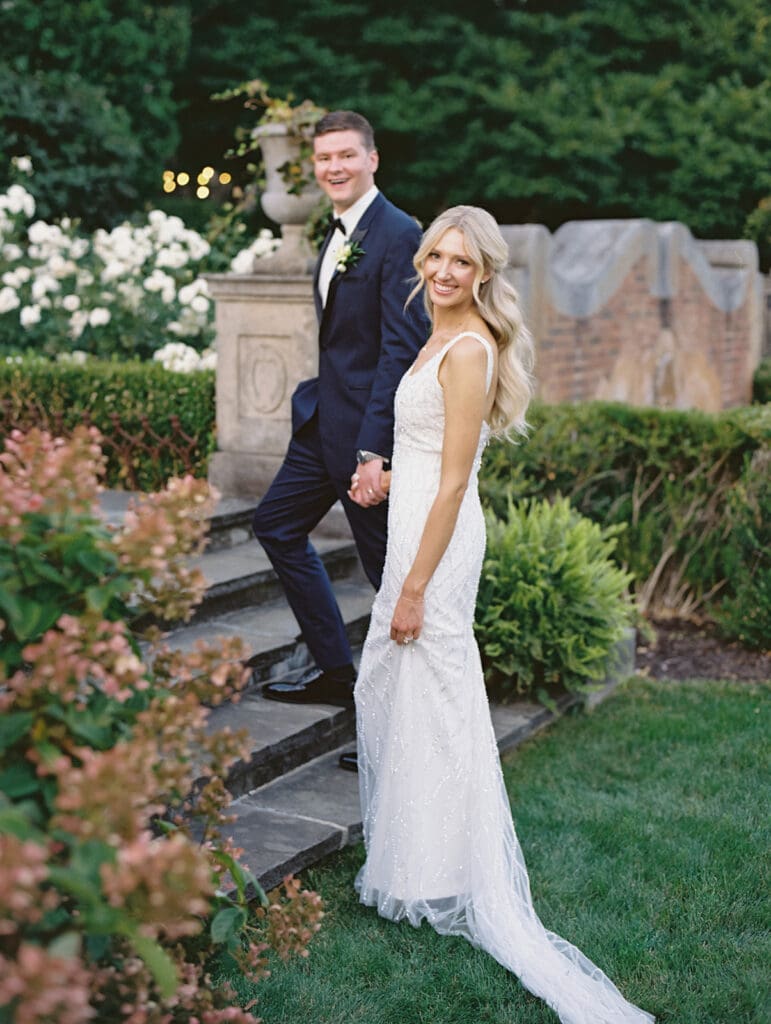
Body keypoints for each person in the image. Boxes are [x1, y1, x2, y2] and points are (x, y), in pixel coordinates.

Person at [352, 206, 655, 1023]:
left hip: (438, 541)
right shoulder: (429, 331)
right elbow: (420, 456)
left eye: (461, 262)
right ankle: (415, 864)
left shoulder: (469, 347)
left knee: (436, 696)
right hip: (414, 518)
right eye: (435, 256)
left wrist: (414, 586)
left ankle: (457, 871)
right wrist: (379, 470)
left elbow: (453, 481)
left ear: (484, 272)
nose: (444, 271)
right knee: (403, 692)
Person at [254, 111, 429, 711]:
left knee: (389, 579)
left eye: (346, 155)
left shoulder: (399, 232)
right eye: (325, 158)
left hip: (367, 441)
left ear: (372, 159)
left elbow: (400, 349)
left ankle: (398, 720)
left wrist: (374, 450)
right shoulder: (338, 232)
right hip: (322, 425)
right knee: (275, 526)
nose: (335, 167)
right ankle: (334, 670)